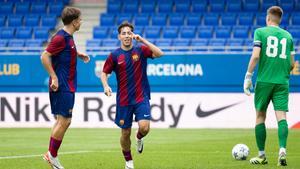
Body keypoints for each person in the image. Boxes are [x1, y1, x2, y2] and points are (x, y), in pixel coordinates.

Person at [100, 21, 163, 169]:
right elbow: (104, 73)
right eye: (124, 33)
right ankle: (129, 162)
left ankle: (139, 137)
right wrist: (106, 86)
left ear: (133, 35)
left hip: (141, 97)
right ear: (119, 36)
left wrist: (142, 40)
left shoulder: (141, 50)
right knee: (125, 132)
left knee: (145, 127)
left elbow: (160, 53)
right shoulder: (114, 55)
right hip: (124, 100)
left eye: (129, 33)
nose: (127, 36)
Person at [243, 6, 295, 166]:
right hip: (282, 82)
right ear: (280, 19)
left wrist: (248, 76)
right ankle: (282, 151)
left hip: (264, 81)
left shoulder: (261, 32)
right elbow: (292, 64)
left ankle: (261, 155)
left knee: (260, 116)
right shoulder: (288, 36)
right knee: (282, 118)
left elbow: (256, 56)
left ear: (268, 18)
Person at [40, 7, 90, 169]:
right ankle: (52, 155)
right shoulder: (60, 38)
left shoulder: (68, 37)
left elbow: (63, 52)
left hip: (67, 84)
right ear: (74, 21)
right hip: (62, 85)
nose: (81, 22)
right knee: (65, 121)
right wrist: (54, 77)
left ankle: (51, 154)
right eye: (80, 20)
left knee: (61, 121)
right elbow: (45, 55)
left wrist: (78, 54)